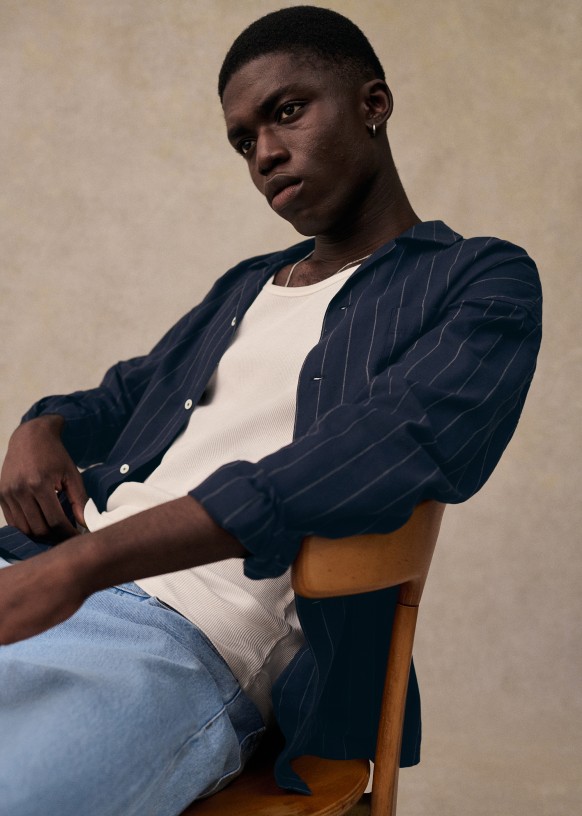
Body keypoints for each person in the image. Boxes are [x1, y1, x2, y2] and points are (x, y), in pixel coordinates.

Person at [0, 6, 542, 815]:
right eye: (242, 141)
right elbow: (122, 394)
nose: (264, 155)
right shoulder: (246, 285)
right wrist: (40, 426)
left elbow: (379, 448)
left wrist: (88, 567)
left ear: (373, 103)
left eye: (286, 112)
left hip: (184, 635)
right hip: (39, 572)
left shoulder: (480, 281)